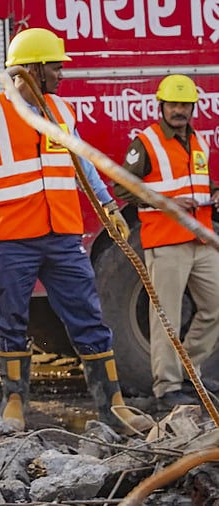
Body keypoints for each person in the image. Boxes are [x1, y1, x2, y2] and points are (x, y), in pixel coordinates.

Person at [0, 27, 154, 434]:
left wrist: (108, 204)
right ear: (32, 69)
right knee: (11, 320)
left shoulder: (62, 114)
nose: (61, 74)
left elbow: (84, 166)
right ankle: (14, 401)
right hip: (13, 238)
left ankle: (113, 405)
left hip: (62, 236)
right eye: (54, 66)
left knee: (89, 317)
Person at [115, 74, 219, 410]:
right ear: (161, 106)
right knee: (167, 318)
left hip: (200, 239)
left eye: (184, 105)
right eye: (173, 104)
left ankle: (189, 374)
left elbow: (200, 183)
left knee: (215, 306)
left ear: (192, 107)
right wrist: (168, 201)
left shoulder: (196, 141)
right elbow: (123, 188)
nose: (179, 110)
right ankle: (167, 388)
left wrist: (214, 193)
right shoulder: (146, 143)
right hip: (166, 240)